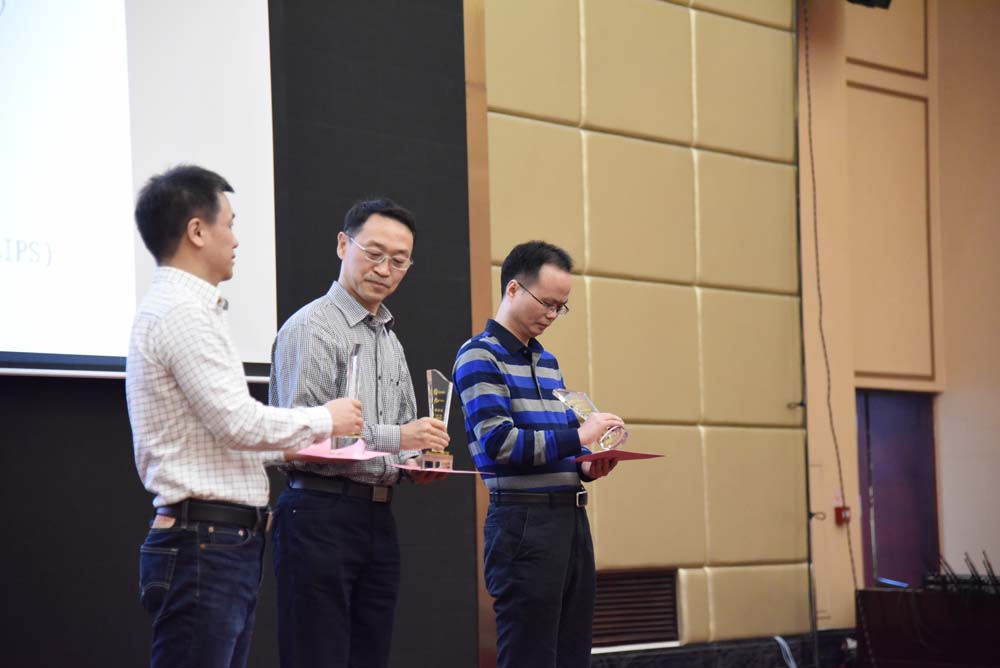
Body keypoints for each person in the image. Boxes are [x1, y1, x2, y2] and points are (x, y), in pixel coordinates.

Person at [126, 165, 363, 668]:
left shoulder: (184, 308)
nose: (235, 240)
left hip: (215, 542)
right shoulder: (183, 313)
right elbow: (238, 423)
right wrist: (325, 419)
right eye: (229, 224)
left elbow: (223, 433)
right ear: (197, 231)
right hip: (205, 543)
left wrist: (297, 444)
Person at [269, 197, 449, 668]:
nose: (385, 269)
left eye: (399, 260)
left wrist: (417, 463)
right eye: (374, 253)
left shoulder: (389, 339)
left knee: (370, 656)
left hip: (377, 516)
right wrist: (400, 439)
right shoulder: (311, 327)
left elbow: (403, 434)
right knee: (317, 656)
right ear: (342, 245)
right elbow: (297, 437)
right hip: (318, 512)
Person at [453, 240, 623, 668]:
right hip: (523, 521)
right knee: (530, 654)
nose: (551, 315)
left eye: (560, 307)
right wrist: (580, 435)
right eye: (546, 303)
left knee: (572, 651)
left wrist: (587, 464)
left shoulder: (548, 362)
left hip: (571, 517)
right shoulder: (479, 355)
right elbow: (500, 443)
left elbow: (560, 442)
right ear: (513, 289)